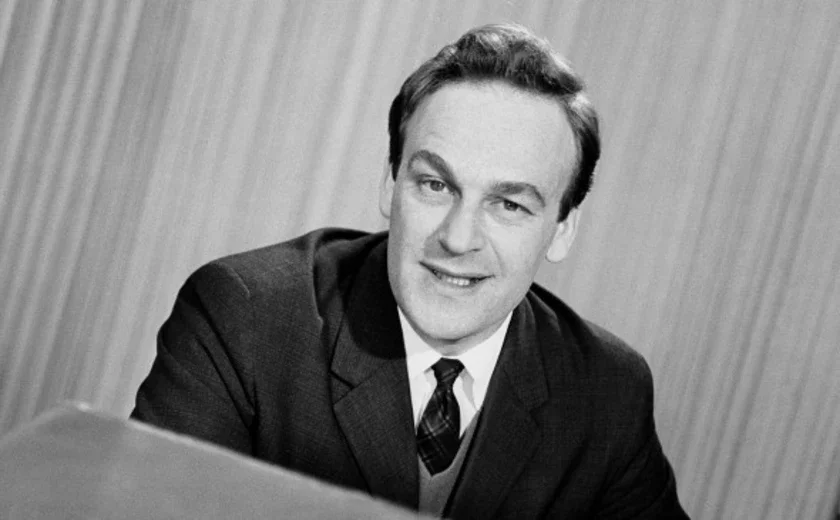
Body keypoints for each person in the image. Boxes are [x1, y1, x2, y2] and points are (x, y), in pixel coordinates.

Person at [132, 23, 688, 519]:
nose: (458, 238)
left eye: (509, 205)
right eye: (436, 185)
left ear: (562, 228)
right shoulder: (245, 318)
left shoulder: (606, 393)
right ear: (390, 182)